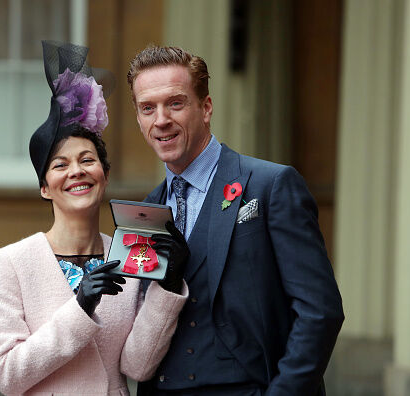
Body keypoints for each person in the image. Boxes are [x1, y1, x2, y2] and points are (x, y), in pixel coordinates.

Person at [127, 46, 344, 396]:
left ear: (206, 108)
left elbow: (320, 311)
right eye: (148, 108)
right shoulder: (145, 213)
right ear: (139, 120)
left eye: (176, 103)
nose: (161, 119)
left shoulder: (271, 185)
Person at [0, 41, 189, 396]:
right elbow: (6, 374)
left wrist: (167, 286)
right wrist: (80, 307)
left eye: (87, 160)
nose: (76, 172)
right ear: (45, 187)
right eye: (60, 165)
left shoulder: (127, 251)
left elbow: (137, 366)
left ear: (105, 175)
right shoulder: (12, 263)